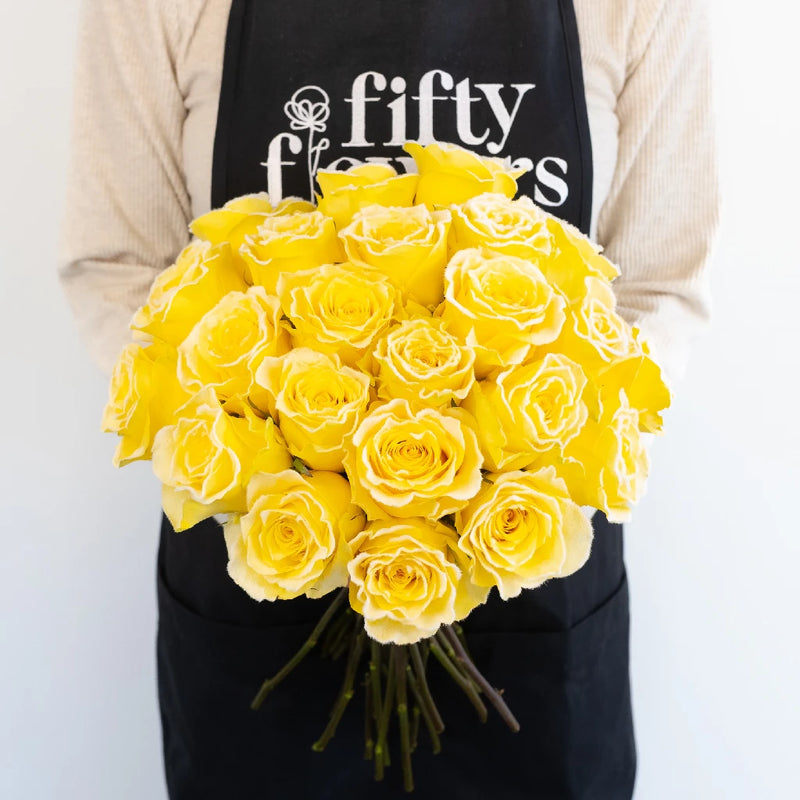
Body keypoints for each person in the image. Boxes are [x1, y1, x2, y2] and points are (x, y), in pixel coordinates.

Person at [59, 1, 719, 797]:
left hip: (530, 576)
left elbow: (658, 285)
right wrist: (326, 500)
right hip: (264, 563)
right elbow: (121, 267)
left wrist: (470, 496)